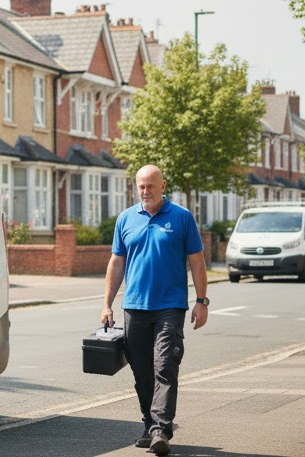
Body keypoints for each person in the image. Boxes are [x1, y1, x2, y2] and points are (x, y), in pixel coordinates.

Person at [101, 164, 208, 456]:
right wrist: (106, 304)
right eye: (141, 186)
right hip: (134, 307)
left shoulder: (182, 218)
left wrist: (202, 300)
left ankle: (161, 429)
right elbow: (116, 263)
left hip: (170, 307)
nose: (145, 191)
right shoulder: (125, 219)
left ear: (163, 186)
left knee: (165, 366)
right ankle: (150, 424)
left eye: (151, 185)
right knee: (142, 372)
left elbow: (197, 261)